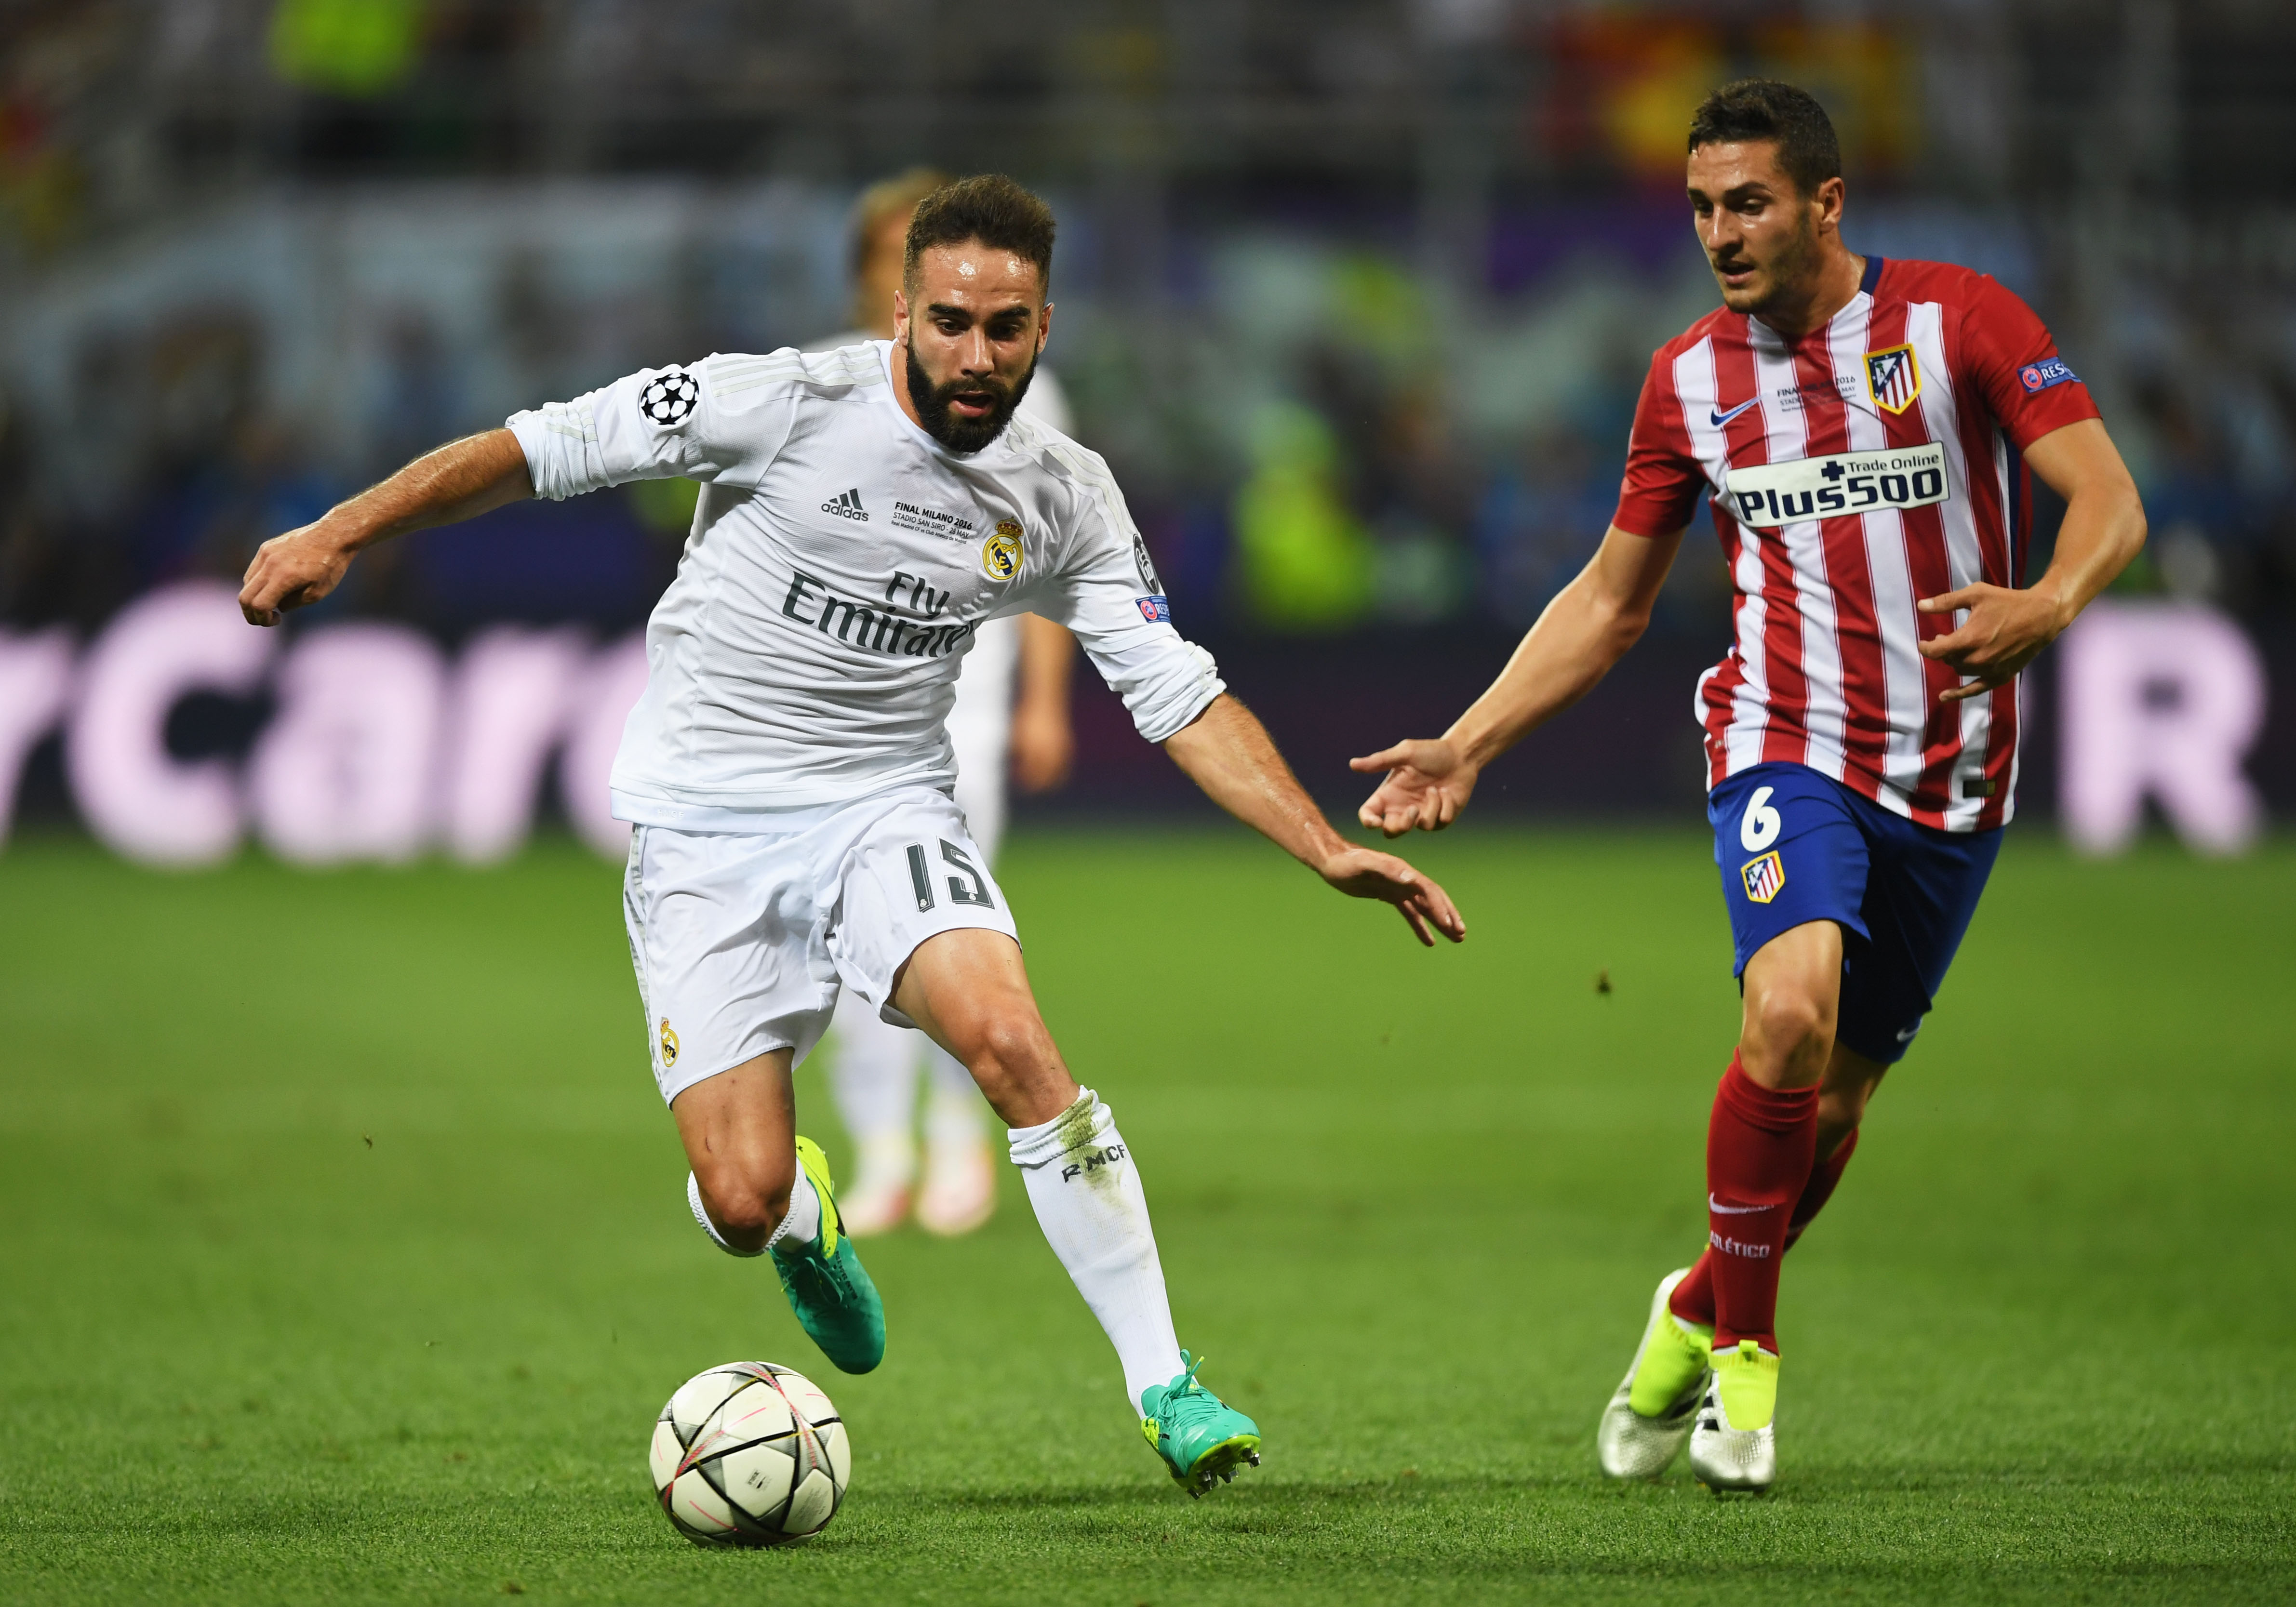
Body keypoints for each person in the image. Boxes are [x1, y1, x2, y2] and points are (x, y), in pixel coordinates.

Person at [240, 173, 1466, 1496]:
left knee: (1010, 1042)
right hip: (703, 825)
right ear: (901, 310)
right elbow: (533, 450)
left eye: (1005, 328)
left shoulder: (1064, 493)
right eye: (949, 321)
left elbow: (1177, 692)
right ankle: (802, 1216)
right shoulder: (778, 404)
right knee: (739, 1198)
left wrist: (1320, 845)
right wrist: (338, 530)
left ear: (1045, 326)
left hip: (884, 807)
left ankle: (1166, 1382)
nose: (974, 355)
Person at [1351, 82, 2144, 1494]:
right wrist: (1467, 742)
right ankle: (1747, 1382)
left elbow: (2108, 499)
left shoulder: (1961, 322)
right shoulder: (1686, 380)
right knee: (1783, 1011)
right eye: (1703, 206)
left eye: (1749, 204)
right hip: (1783, 739)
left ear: (1826, 204)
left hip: (1953, 774)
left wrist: (2052, 598)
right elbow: (1610, 602)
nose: (1719, 232)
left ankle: (1691, 1311)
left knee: (1829, 1110)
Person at [807, 168, 1080, 1238]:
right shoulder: (826, 383)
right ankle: (881, 1152)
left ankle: (963, 1144)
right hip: (845, 714)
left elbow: (1064, 566)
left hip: (968, 699)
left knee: (959, 936)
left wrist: (1044, 706)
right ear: (884, 287)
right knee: (844, 948)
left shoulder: (1023, 391)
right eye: (886, 264)